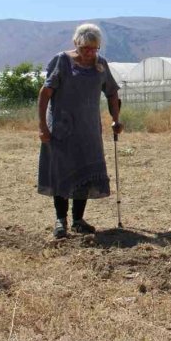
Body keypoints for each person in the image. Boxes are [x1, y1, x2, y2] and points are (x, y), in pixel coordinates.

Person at [37, 23, 123, 238]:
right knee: (61, 172)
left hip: (88, 130)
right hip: (62, 129)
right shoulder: (62, 61)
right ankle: (60, 219)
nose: (90, 53)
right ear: (76, 43)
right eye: (85, 48)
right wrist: (42, 126)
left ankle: (78, 220)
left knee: (85, 172)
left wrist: (116, 119)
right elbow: (45, 93)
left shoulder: (101, 64)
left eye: (94, 48)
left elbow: (112, 93)